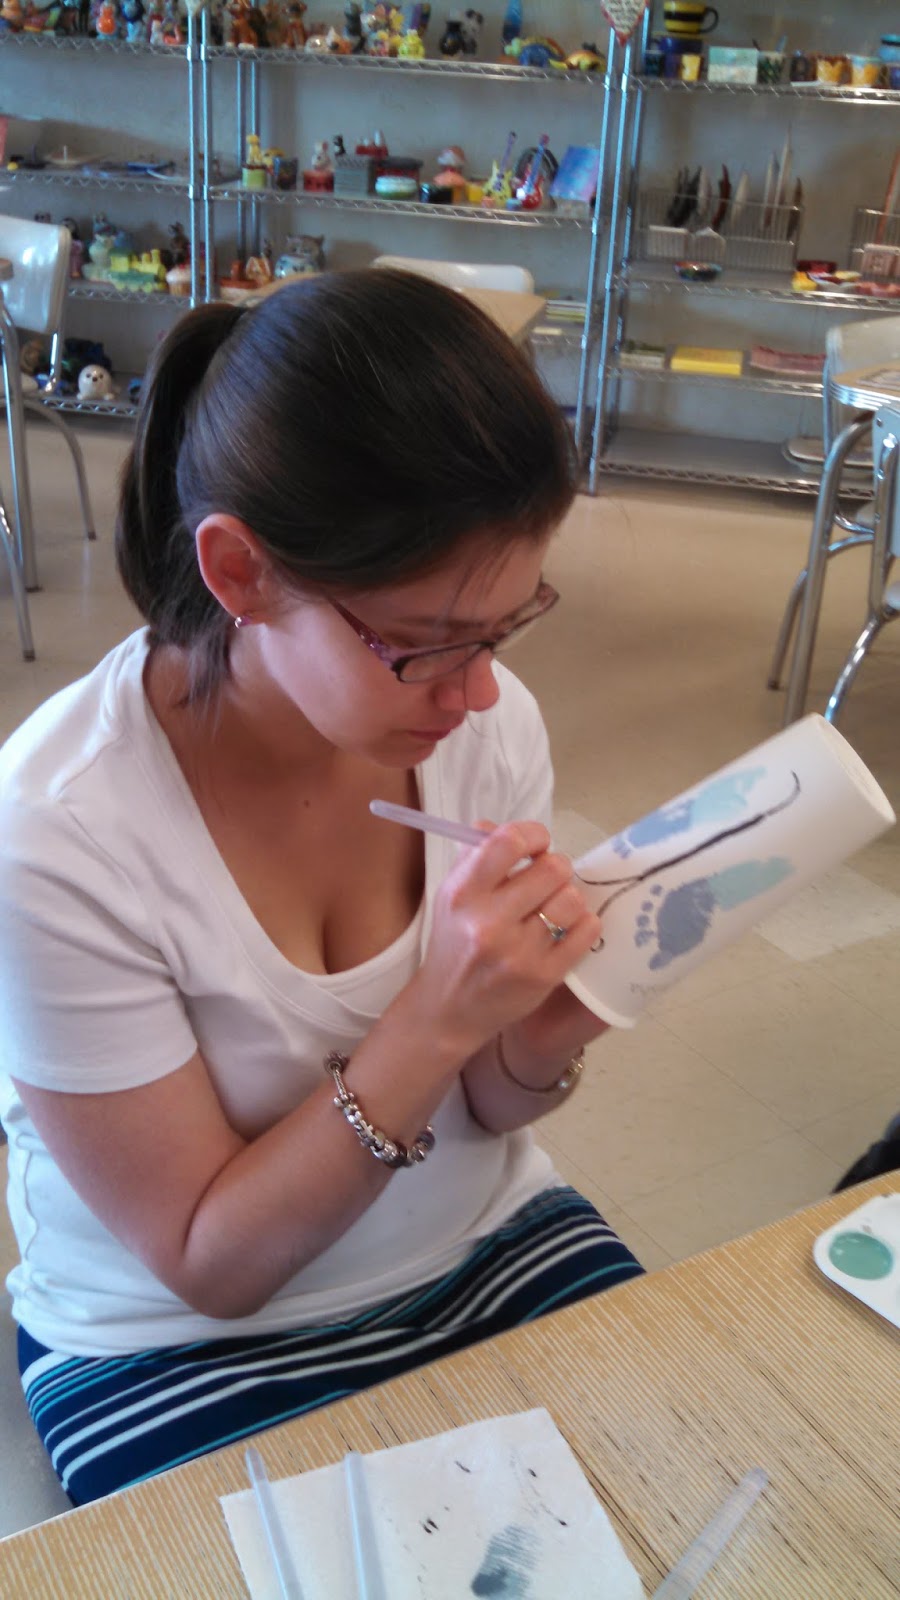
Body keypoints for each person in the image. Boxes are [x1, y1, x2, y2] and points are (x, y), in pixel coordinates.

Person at [0, 270, 642, 1507]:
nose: (478, 692)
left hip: (487, 1243)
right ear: (241, 572)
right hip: (181, 1341)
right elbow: (211, 1265)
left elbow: (494, 1105)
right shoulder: (58, 831)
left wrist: (548, 1029)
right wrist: (435, 1017)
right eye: (428, 641)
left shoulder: (482, 725)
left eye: (505, 628)